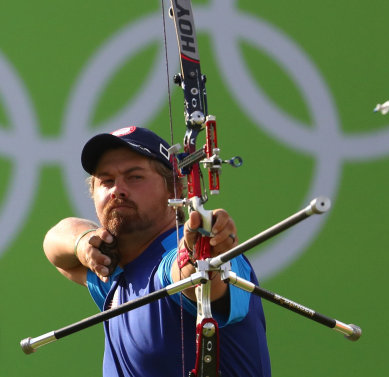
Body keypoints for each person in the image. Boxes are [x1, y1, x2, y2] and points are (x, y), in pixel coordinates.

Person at [43, 126, 271, 377]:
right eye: (106, 180)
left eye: (135, 177)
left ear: (175, 189)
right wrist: (83, 243)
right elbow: (56, 242)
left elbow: (192, 278)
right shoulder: (112, 270)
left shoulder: (175, 257)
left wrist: (200, 252)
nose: (117, 189)